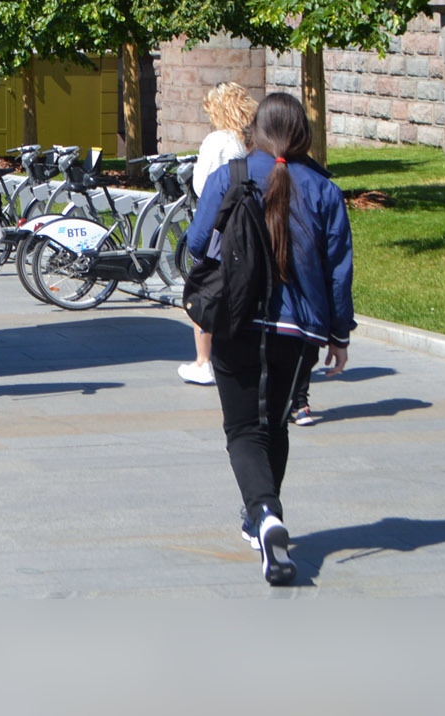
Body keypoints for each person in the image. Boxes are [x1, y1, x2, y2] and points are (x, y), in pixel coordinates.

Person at [187, 91, 353, 587]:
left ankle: (263, 513)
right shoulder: (324, 188)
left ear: (255, 131)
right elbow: (338, 270)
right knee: (275, 426)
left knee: (243, 429)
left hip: (238, 321)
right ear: (303, 134)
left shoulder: (231, 176)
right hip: (300, 331)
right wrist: (339, 334)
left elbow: (196, 243)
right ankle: (260, 516)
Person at [179, 82, 257, 388]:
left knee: (205, 289)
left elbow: (203, 185)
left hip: (217, 222)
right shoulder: (249, 141)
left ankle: (203, 361)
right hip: (244, 222)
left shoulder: (216, 141)